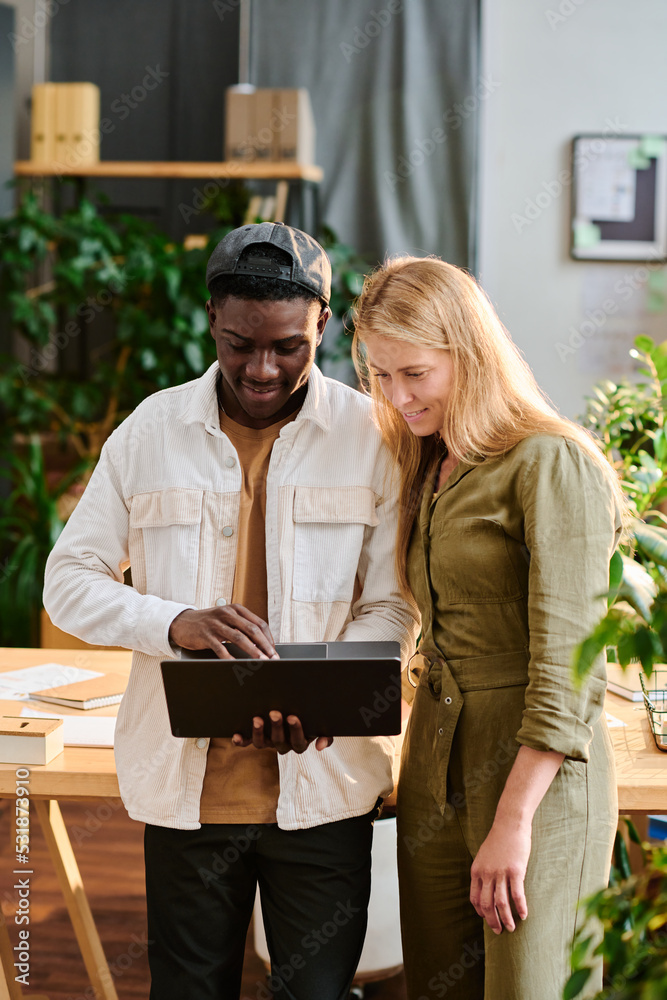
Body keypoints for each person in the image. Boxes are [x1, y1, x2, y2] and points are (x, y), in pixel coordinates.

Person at [43, 222, 419, 1000]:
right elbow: (69, 580)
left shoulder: (373, 436)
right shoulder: (151, 430)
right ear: (213, 317)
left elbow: (390, 603)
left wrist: (325, 694)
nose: (261, 368)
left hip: (325, 790)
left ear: (321, 323)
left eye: (287, 345)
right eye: (240, 342)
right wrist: (172, 621)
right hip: (187, 801)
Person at [351, 255, 623, 1000]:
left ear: (466, 354)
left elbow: (571, 664)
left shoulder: (549, 462)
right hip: (433, 767)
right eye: (379, 375)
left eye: (414, 373)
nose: (396, 396)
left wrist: (512, 821)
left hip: (537, 782)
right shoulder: (425, 463)